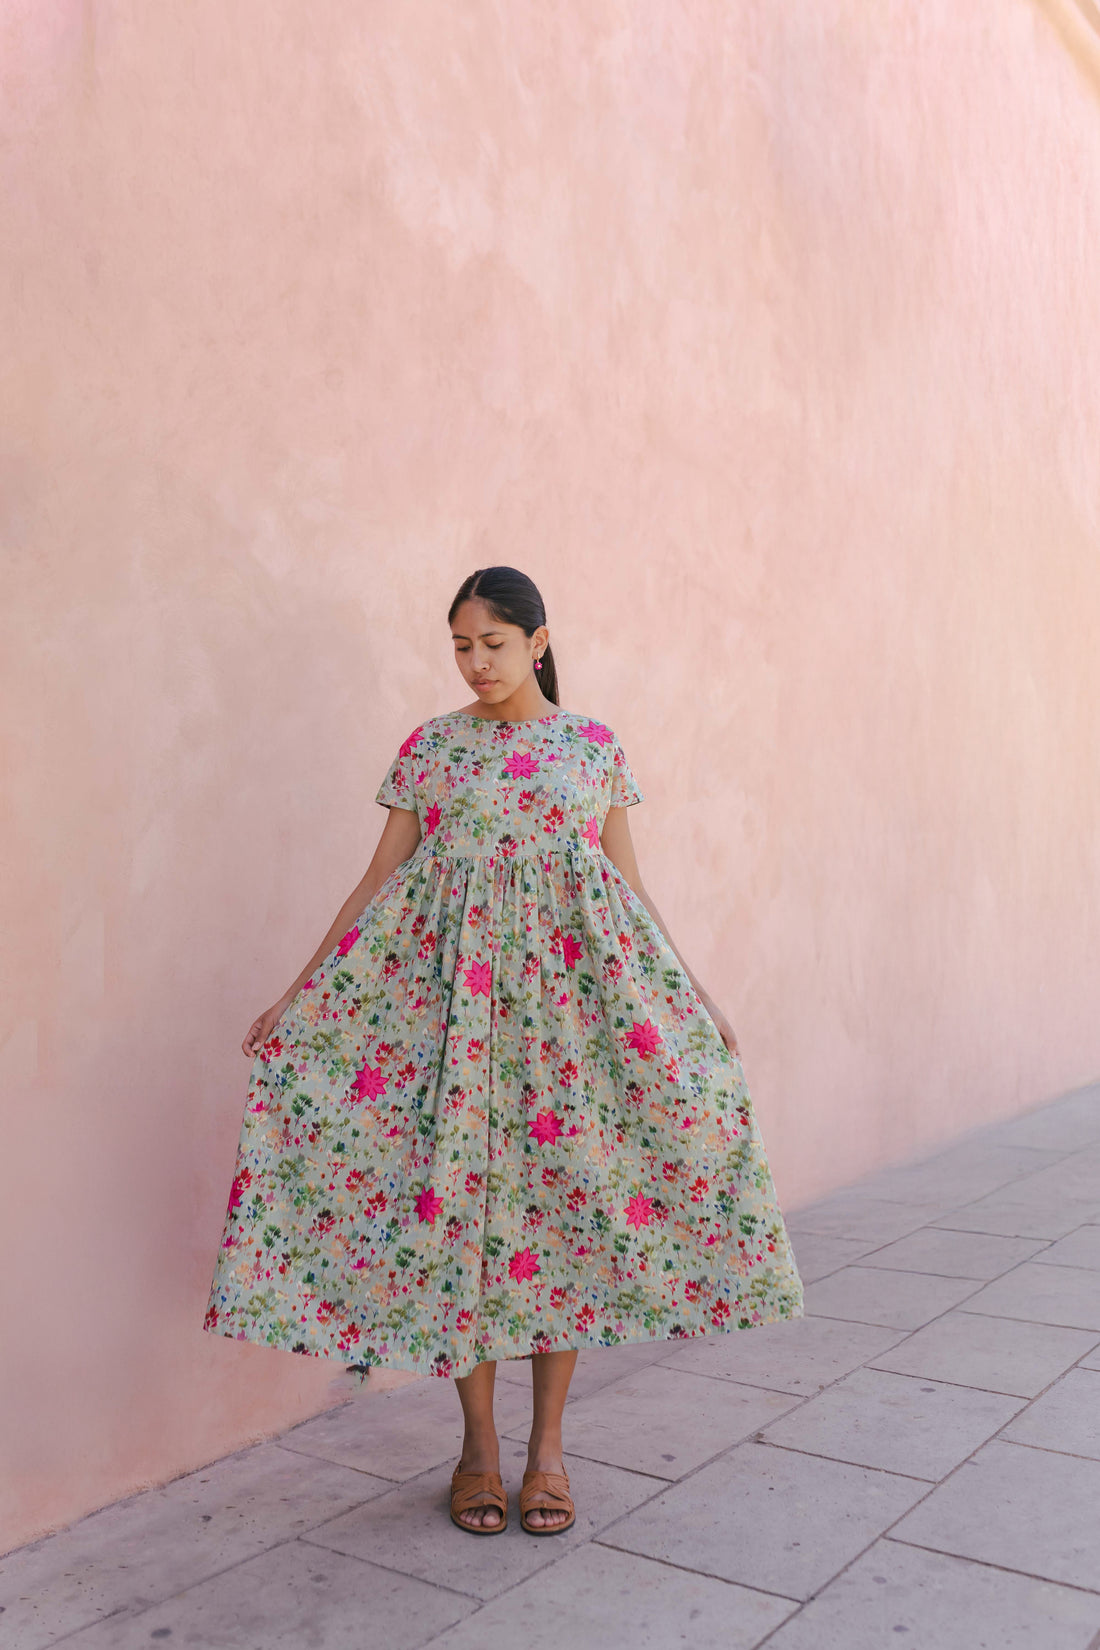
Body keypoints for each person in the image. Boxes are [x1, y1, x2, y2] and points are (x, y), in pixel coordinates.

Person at [204, 564, 803, 1536]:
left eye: (490, 642)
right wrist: (297, 992)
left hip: (570, 1032)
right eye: (458, 645)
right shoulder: (431, 750)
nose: (473, 662)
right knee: (470, 1229)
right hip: (458, 1024)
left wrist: (693, 992)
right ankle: (477, 1448)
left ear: (536, 639)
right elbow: (373, 884)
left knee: (559, 1225)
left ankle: (547, 1452)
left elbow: (628, 890)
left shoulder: (593, 749)